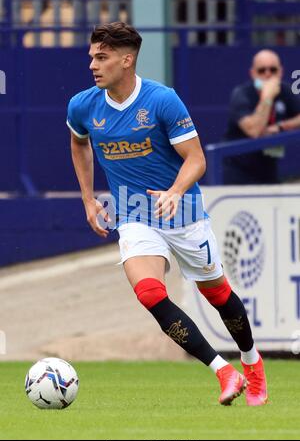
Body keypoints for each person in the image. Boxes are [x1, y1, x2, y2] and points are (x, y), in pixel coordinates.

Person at [67, 22, 267, 406]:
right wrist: (88, 198)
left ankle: (252, 363)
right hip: (135, 216)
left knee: (219, 295)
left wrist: (175, 191)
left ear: (127, 60)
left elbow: (197, 160)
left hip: (184, 214)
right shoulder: (82, 105)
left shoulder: (162, 100)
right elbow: (79, 144)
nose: (92, 64)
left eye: (102, 57)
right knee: (149, 292)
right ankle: (223, 371)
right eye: (92, 56)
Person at [224, 49, 300, 184]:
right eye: (261, 70)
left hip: (268, 167)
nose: (268, 74)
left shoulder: (285, 91)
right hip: (238, 169)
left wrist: (281, 126)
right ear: (253, 73)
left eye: (273, 70)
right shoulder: (242, 94)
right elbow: (254, 130)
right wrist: (267, 97)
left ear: (280, 72)